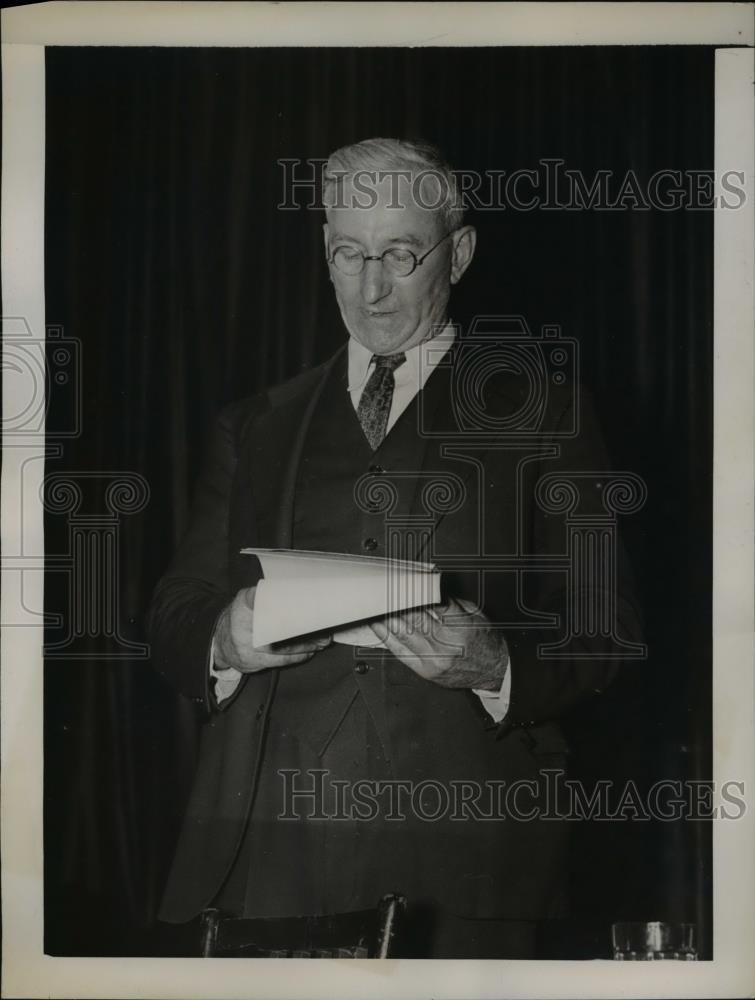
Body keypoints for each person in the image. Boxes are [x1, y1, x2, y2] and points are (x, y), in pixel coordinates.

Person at [148, 137, 640, 958]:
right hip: (263, 855)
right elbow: (173, 613)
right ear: (324, 251)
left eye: (400, 254)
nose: (370, 287)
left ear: (461, 252)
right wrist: (223, 638)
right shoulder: (255, 423)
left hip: (467, 863)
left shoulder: (545, 410)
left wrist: (497, 665)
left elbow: (605, 627)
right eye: (348, 253)